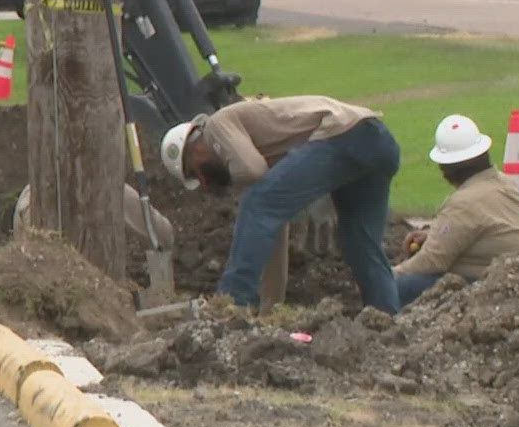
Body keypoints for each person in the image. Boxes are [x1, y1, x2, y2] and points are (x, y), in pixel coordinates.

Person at [161, 95, 401, 313]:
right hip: (377, 141)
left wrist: (249, 195)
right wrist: (271, 307)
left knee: (256, 202)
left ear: (194, 147)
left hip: (341, 134)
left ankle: (231, 302)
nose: (204, 183)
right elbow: (272, 229)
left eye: (195, 172)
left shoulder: (216, 126)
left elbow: (253, 174)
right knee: (361, 244)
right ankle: (386, 320)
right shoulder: (262, 149)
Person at [392, 114, 519, 306]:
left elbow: (432, 262)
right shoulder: (506, 183)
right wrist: (433, 235)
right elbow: (481, 228)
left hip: (487, 288)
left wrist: (389, 275)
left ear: (445, 169)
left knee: (402, 285)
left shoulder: (463, 204)